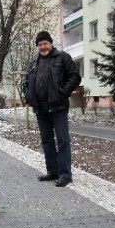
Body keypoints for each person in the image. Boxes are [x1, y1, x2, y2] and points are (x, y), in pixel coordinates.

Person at [23, 31, 81, 187]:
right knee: (47, 141)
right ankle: (52, 171)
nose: (43, 47)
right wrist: (28, 95)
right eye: (40, 44)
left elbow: (75, 77)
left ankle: (65, 174)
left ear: (51, 43)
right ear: (37, 46)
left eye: (45, 43)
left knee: (62, 141)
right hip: (40, 108)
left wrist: (62, 93)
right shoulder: (34, 62)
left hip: (58, 107)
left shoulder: (62, 58)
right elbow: (26, 82)